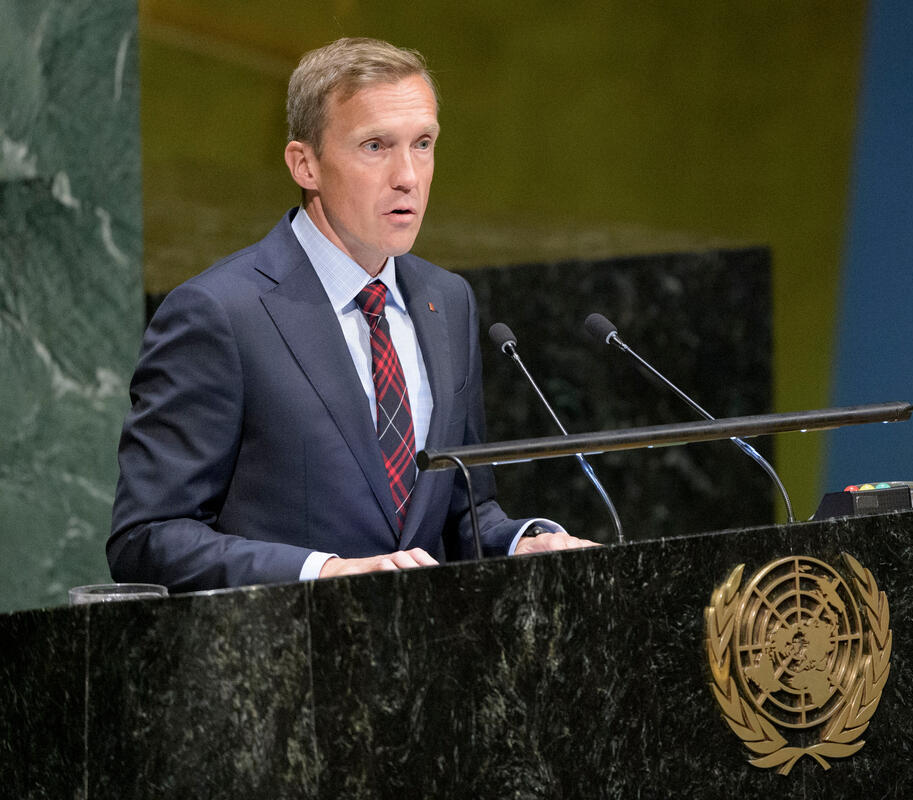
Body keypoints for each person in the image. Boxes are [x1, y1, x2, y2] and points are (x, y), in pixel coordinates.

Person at [108, 37, 592, 592]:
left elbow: (460, 510)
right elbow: (147, 538)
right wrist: (326, 573)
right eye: (375, 146)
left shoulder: (447, 299)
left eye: (423, 143)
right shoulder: (219, 314)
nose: (408, 175)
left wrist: (519, 543)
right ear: (305, 165)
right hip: (288, 640)